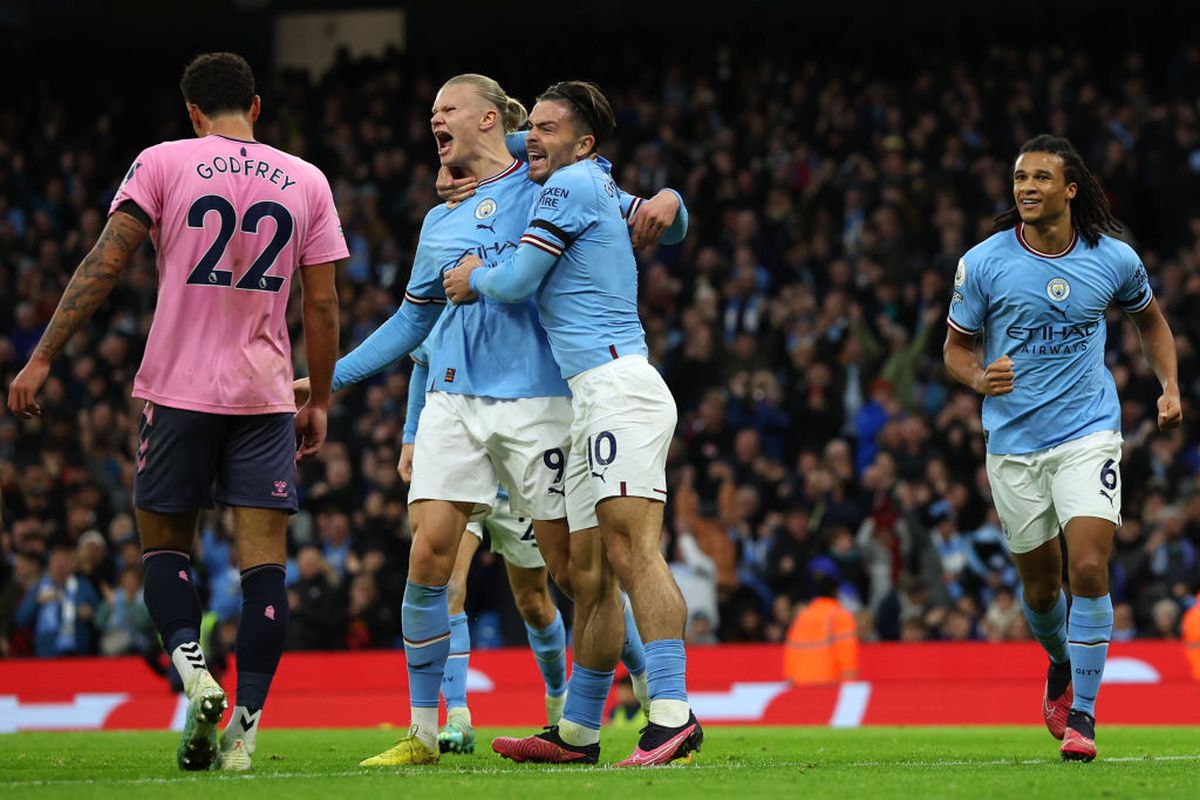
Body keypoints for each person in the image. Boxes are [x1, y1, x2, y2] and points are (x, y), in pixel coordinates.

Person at [316, 74, 678, 767]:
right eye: (430, 113)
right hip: (454, 398)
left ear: (487, 119)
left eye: (445, 110)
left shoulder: (547, 181)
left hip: (542, 400)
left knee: (573, 574)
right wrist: (329, 379)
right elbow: (409, 322)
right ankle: (426, 730)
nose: (433, 121)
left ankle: (637, 676)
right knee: (429, 552)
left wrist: (669, 198)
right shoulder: (437, 221)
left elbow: (632, 207)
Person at [6, 52, 344, 771]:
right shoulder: (308, 180)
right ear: (256, 106)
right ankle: (244, 735)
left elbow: (105, 262)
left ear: (193, 113)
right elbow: (321, 303)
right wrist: (320, 400)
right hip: (266, 397)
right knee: (265, 573)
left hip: (179, 390)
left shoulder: (163, 161)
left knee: (165, 549)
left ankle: (194, 674)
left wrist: (42, 356)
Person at [445, 80, 699, 767]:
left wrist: (475, 275)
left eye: (550, 129)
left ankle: (672, 713)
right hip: (589, 397)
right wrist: (672, 203)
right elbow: (665, 222)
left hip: (620, 388)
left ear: (583, 143)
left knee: (631, 551)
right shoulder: (596, 186)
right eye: (535, 128)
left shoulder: (572, 183)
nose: (535, 139)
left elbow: (522, 278)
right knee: (588, 575)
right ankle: (579, 731)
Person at [943, 134, 1181, 762]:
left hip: (1089, 433)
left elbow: (1150, 320)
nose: (1026, 187)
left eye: (1041, 178)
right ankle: (1058, 662)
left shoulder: (1114, 258)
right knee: (1043, 591)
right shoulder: (984, 262)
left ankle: (1085, 717)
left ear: (1070, 189)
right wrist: (976, 378)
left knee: (1089, 568)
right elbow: (955, 348)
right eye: (1020, 177)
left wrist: (1170, 386)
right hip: (1014, 445)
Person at [403, 344, 568, 755]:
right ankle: (458, 715)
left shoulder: (519, 291)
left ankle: (558, 696)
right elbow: (423, 361)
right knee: (450, 586)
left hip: (516, 478)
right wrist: (410, 436)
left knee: (533, 600)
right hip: (466, 467)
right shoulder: (451, 296)